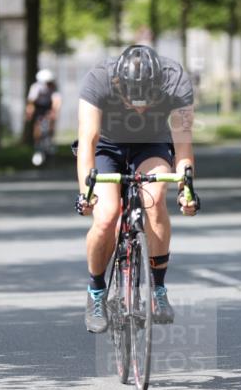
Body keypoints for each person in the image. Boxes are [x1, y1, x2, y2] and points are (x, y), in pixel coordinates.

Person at [74, 45, 199, 333]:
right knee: (106, 217)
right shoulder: (100, 79)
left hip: (151, 143)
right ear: (119, 85)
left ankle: (158, 289)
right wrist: (87, 193)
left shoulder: (175, 81)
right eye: (133, 100)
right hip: (106, 146)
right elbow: (88, 141)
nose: (140, 108)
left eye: (147, 100)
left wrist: (186, 191)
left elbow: (183, 145)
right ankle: (96, 291)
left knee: (154, 203)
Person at [26, 69, 62, 166]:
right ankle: (37, 144)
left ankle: (50, 140)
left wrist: (54, 112)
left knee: (51, 122)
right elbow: (31, 102)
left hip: (48, 107)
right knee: (37, 126)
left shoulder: (54, 87)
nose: (49, 84)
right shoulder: (35, 87)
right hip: (39, 108)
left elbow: (56, 101)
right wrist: (30, 112)